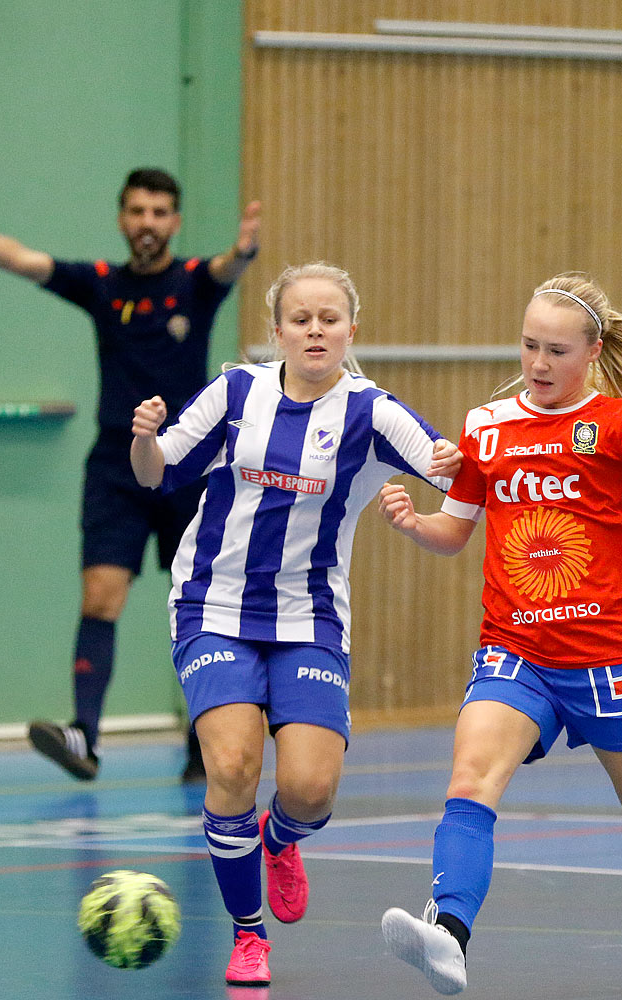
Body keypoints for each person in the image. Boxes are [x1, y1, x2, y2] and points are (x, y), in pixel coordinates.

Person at [375, 272, 622, 995]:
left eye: (556, 350)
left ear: (593, 351)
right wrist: (415, 524)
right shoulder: (486, 425)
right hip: (516, 648)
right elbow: (456, 530)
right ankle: (448, 934)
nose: (539, 364)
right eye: (528, 346)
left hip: (610, 654)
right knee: (470, 777)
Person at [130, 261, 460, 986]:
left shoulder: (373, 412)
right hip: (213, 605)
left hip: (309, 616)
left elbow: (459, 477)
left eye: (330, 319)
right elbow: (158, 472)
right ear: (277, 331)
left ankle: (281, 839)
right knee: (232, 766)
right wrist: (146, 437)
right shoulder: (236, 393)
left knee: (310, 791)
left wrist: (455, 462)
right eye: (301, 319)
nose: (316, 331)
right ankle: (249, 936)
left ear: (351, 331)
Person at [0, 169, 262, 783]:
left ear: (174, 222)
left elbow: (228, 267)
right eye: (136, 211)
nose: (147, 222)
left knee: (204, 607)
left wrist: (245, 252)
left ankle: (203, 743)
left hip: (187, 466)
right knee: (101, 596)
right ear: (122, 219)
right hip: (115, 466)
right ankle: (86, 738)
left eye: (159, 212)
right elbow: (23, 261)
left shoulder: (195, 283)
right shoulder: (101, 286)